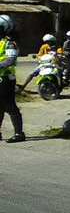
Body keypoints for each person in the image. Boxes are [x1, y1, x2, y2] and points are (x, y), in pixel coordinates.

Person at [0, 14, 26, 143]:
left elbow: (10, 60)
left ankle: (19, 133)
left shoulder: (10, 43)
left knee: (9, 106)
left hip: (5, 80)